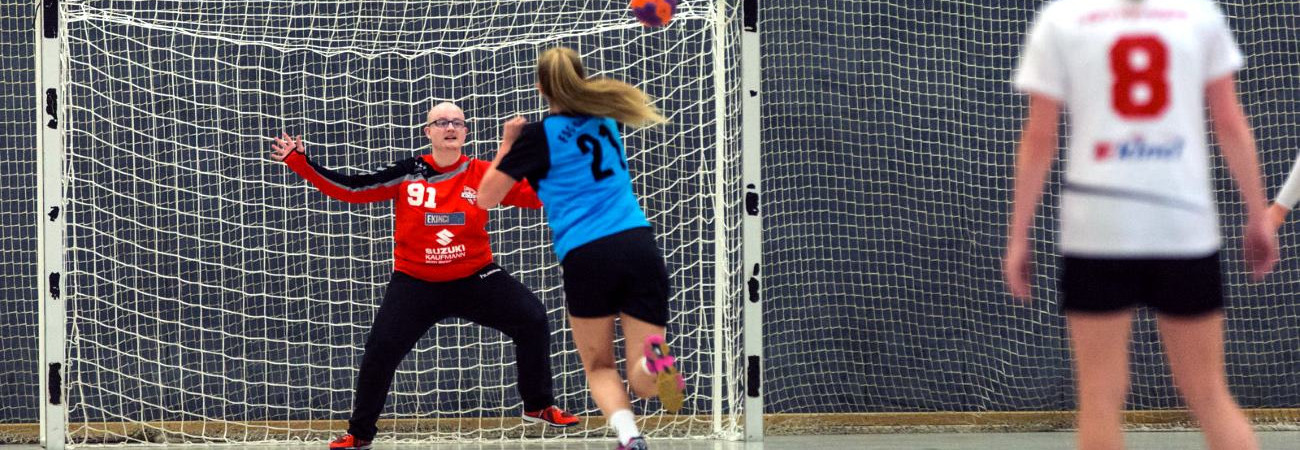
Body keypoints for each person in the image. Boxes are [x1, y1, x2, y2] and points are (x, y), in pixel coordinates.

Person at [1004, 1, 1278, 449]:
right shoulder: (1197, 13)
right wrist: (1257, 215)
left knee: (1098, 398)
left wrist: (1018, 235)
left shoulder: (1063, 17)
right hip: (1182, 226)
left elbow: (1039, 138)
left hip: (1098, 228)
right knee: (1209, 394)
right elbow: (1228, 120)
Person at [269, 102, 579, 450]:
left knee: (533, 318)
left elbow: (536, 198)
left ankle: (537, 405)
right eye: (441, 122)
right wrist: (300, 162)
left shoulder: (482, 173)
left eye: (457, 122)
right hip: (416, 282)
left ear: (465, 132)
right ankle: (360, 434)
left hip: (474, 276)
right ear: (427, 131)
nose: (450, 127)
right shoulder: (409, 172)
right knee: (380, 351)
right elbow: (350, 189)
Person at [475, 47, 684, 450]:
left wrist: (507, 144)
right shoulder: (607, 119)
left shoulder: (539, 136)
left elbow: (486, 197)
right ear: (581, 79)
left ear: (540, 87)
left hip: (587, 255)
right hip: (638, 243)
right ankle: (657, 362)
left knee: (600, 363)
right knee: (644, 376)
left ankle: (630, 437)